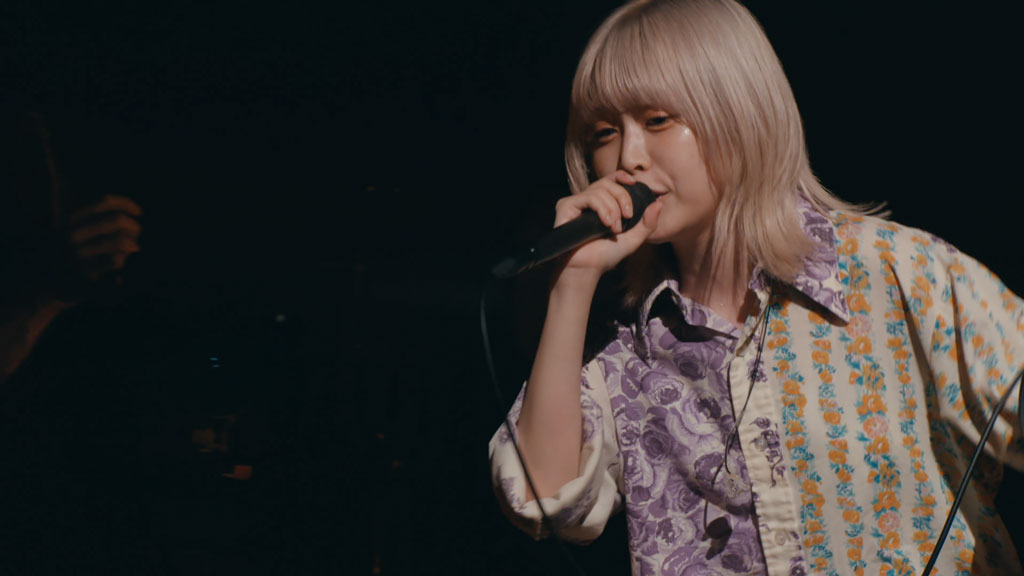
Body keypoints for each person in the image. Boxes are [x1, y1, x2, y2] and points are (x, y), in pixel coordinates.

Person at [488, 1, 1023, 575]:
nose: (628, 157)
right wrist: (572, 281)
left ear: (738, 110)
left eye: (658, 120)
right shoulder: (621, 353)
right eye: (604, 133)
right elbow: (542, 501)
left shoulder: (892, 270)